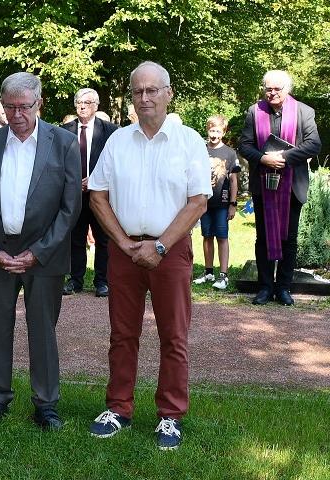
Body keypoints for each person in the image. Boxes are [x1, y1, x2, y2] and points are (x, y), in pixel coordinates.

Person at [87, 61, 211, 450]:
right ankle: (119, 408)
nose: (145, 97)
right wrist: (123, 243)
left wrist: (159, 246)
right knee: (123, 334)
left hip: (170, 251)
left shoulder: (188, 140)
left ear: (168, 93)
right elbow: (97, 196)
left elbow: (197, 203)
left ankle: (170, 416)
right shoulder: (117, 141)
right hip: (123, 251)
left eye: (152, 90)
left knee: (174, 335)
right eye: (138, 91)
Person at [0, 72, 81, 430]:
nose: (16, 114)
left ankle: (46, 403)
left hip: (44, 255)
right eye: (9, 107)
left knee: (43, 329)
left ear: (39, 104)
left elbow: (70, 207)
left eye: (24, 106)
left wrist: (39, 252)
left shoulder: (64, 143)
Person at [238, 70, 322, 306]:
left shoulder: (304, 112)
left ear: (288, 89)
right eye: (268, 88)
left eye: (277, 89)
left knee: (289, 238)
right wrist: (263, 159)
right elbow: (245, 145)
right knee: (263, 236)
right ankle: (265, 287)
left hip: (292, 183)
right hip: (263, 183)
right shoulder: (255, 111)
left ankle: (283, 287)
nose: (272, 93)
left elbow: (314, 144)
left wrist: (283, 157)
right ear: (263, 89)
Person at [61, 88, 119, 297]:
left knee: (103, 238)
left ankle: (102, 281)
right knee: (75, 239)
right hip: (74, 195)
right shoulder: (64, 131)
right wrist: (75, 182)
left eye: (87, 102)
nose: (82, 106)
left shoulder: (111, 131)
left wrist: (94, 181)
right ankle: (75, 280)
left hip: (101, 195)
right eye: (79, 102)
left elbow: (116, 163)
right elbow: (58, 164)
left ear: (96, 105)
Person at [195, 115, 241, 290]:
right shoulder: (200, 150)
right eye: (211, 130)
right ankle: (208, 272)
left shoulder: (229, 153)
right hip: (203, 203)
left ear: (223, 132)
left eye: (218, 131)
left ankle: (223, 275)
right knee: (206, 236)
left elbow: (234, 181)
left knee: (222, 237)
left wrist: (233, 203)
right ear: (207, 130)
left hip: (222, 204)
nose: (214, 134)